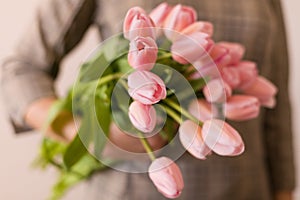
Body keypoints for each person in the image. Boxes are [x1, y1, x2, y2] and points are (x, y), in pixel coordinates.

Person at [1, 0, 295, 199]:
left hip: (246, 189)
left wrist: (284, 190)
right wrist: (90, 135)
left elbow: (277, 100)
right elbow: (20, 69)